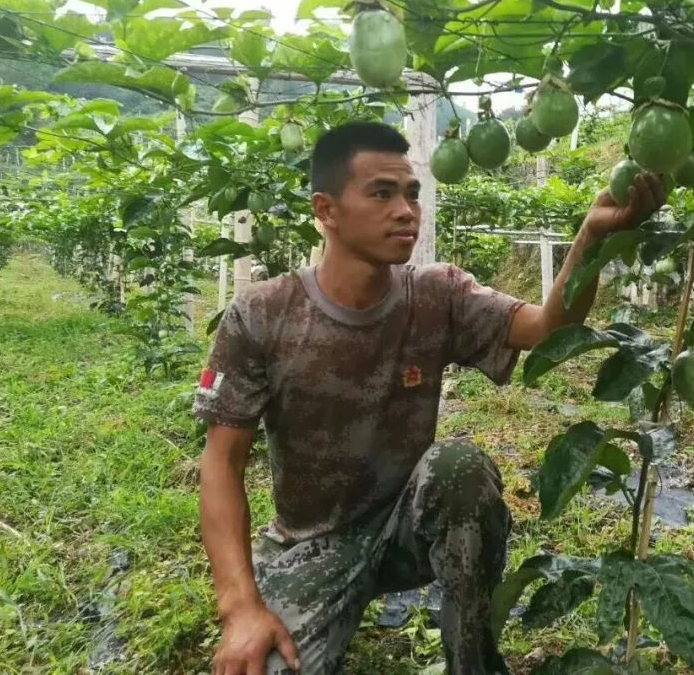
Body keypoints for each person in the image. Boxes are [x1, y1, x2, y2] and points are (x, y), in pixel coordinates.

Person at [194, 121, 665, 675]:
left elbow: (545, 328)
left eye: (411, 193)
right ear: (326, 210)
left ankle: (472, 662)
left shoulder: (437, 293)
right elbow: (221, 464)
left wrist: (592, 235)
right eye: (381, 193)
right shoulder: (263, 314)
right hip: (313, 544)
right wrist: (241, 607)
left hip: (409, 526)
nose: (405, 210)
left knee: (458, 467)